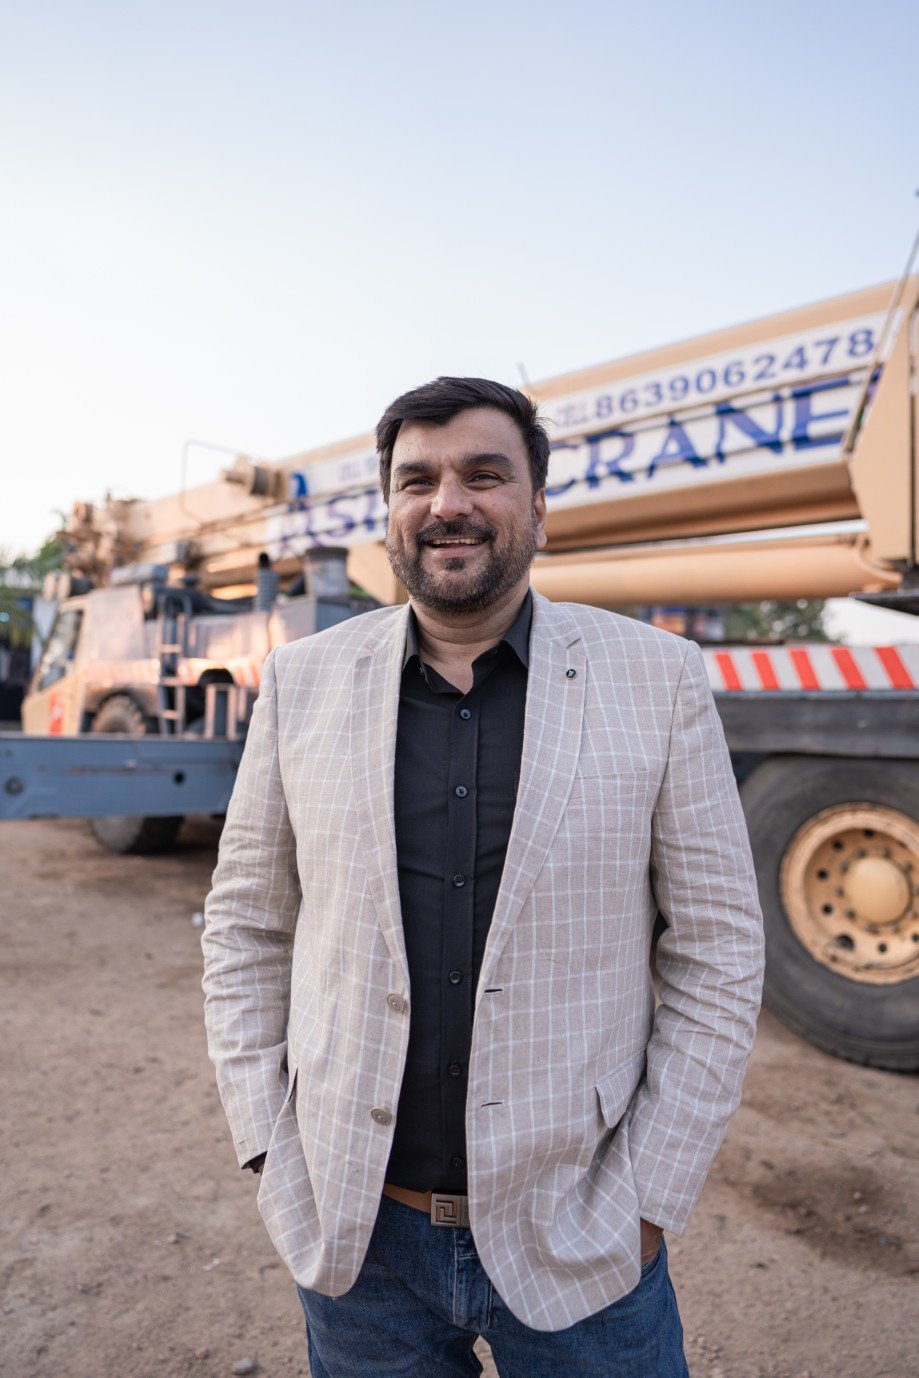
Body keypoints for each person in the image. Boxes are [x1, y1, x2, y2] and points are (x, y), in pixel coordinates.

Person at [202, 376, 764, 1376]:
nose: (447, 503)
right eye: (416, 480)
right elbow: (246, 925)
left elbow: (717, 947)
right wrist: (267, 1145)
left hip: (583, 1234)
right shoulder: (301, 681)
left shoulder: (658, 678)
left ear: (537, 505)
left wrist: (648, 1196)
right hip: (359, 1238)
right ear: (389, 510)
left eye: (483, 474)